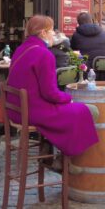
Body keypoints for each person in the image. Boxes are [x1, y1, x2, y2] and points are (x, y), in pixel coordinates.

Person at [6, 15, 99, 159]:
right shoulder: (44, 54)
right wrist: (69, 98)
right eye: (51, 31)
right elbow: (50, 93)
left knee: (77, 111)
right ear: (43, 33)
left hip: (16, 110)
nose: (54, 35)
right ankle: (73, 162)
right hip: (33, 111)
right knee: (88, 110)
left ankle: (51, 153)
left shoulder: (20, 49)